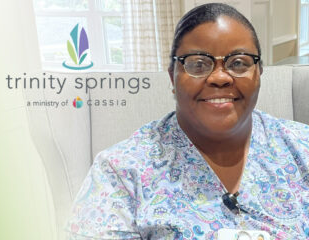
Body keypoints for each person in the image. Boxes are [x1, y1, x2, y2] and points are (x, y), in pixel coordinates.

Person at [66, 3, 309, 240]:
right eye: (198, 64)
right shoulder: (120, 174)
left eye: (238, 63)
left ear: (259, 74)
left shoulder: (302, 147)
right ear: (172, 76)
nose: (220, 77)